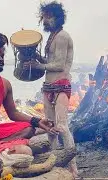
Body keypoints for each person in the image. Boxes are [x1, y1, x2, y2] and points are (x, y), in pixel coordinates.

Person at [23, 1, 78, 177]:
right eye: (44, 17)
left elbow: (59, 65)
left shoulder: (62, 36)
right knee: (50, 126)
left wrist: (38, 66)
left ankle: (73, 169)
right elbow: (49, 62)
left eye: (48, 17)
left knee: (62, 126)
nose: (45, 21)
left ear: (57, 17)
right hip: (48, 86)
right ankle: (53, 163)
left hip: (61, 85)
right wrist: (34, 56)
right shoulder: (52, 36)